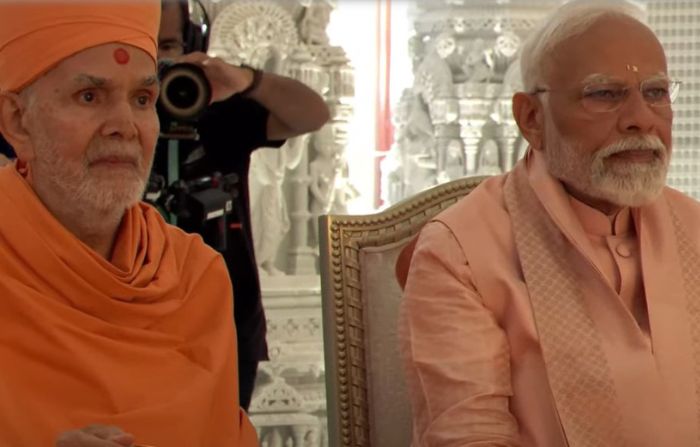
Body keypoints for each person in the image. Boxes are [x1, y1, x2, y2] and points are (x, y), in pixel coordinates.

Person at [398, 1, 700, 446]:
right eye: (604, 94)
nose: (641, 118)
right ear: (531, 119)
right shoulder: (459, 253)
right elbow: (470, 436)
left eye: (655, 92)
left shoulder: (693, 226)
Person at [0, 1, 257, 446]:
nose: (124, 126)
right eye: (89, 97)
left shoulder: (194, 275)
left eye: (142, 100)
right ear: (17, 121)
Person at [156, 0, 330, 410]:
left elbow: (313, 113)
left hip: (224, 329)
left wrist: (246, 80)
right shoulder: (96, 119)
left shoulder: (216, 111)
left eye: (166, 45)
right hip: (120, 328)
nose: (154, 62)